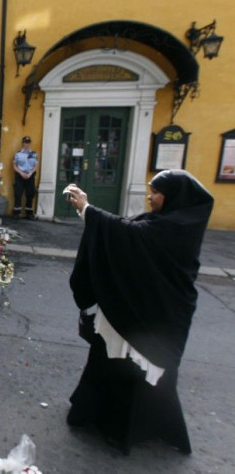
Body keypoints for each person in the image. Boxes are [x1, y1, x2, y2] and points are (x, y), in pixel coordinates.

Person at [63, 169, 214, 455]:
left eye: (156, 192)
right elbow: (126, 233)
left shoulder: (176, 227)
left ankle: (123, 427)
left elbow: (131, 237)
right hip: (137, 308)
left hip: (157, 316)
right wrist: (90, 211)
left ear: (173, 197)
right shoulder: (163, 221)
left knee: (136, 374)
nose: (150, 196)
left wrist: (87, 208)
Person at [12, 136, 38, 220]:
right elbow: (15, 166)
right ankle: (16, 212)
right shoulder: (18, 154)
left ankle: (29, 213)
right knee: (18, 193)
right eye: (25, 142)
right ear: (22, 143)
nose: (27, 144)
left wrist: (30, 173)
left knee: (31, 193)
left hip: (30, 176)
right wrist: (21, 173)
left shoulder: (33, 154)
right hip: (20, 175)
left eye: (28, 142)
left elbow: (35, 166)